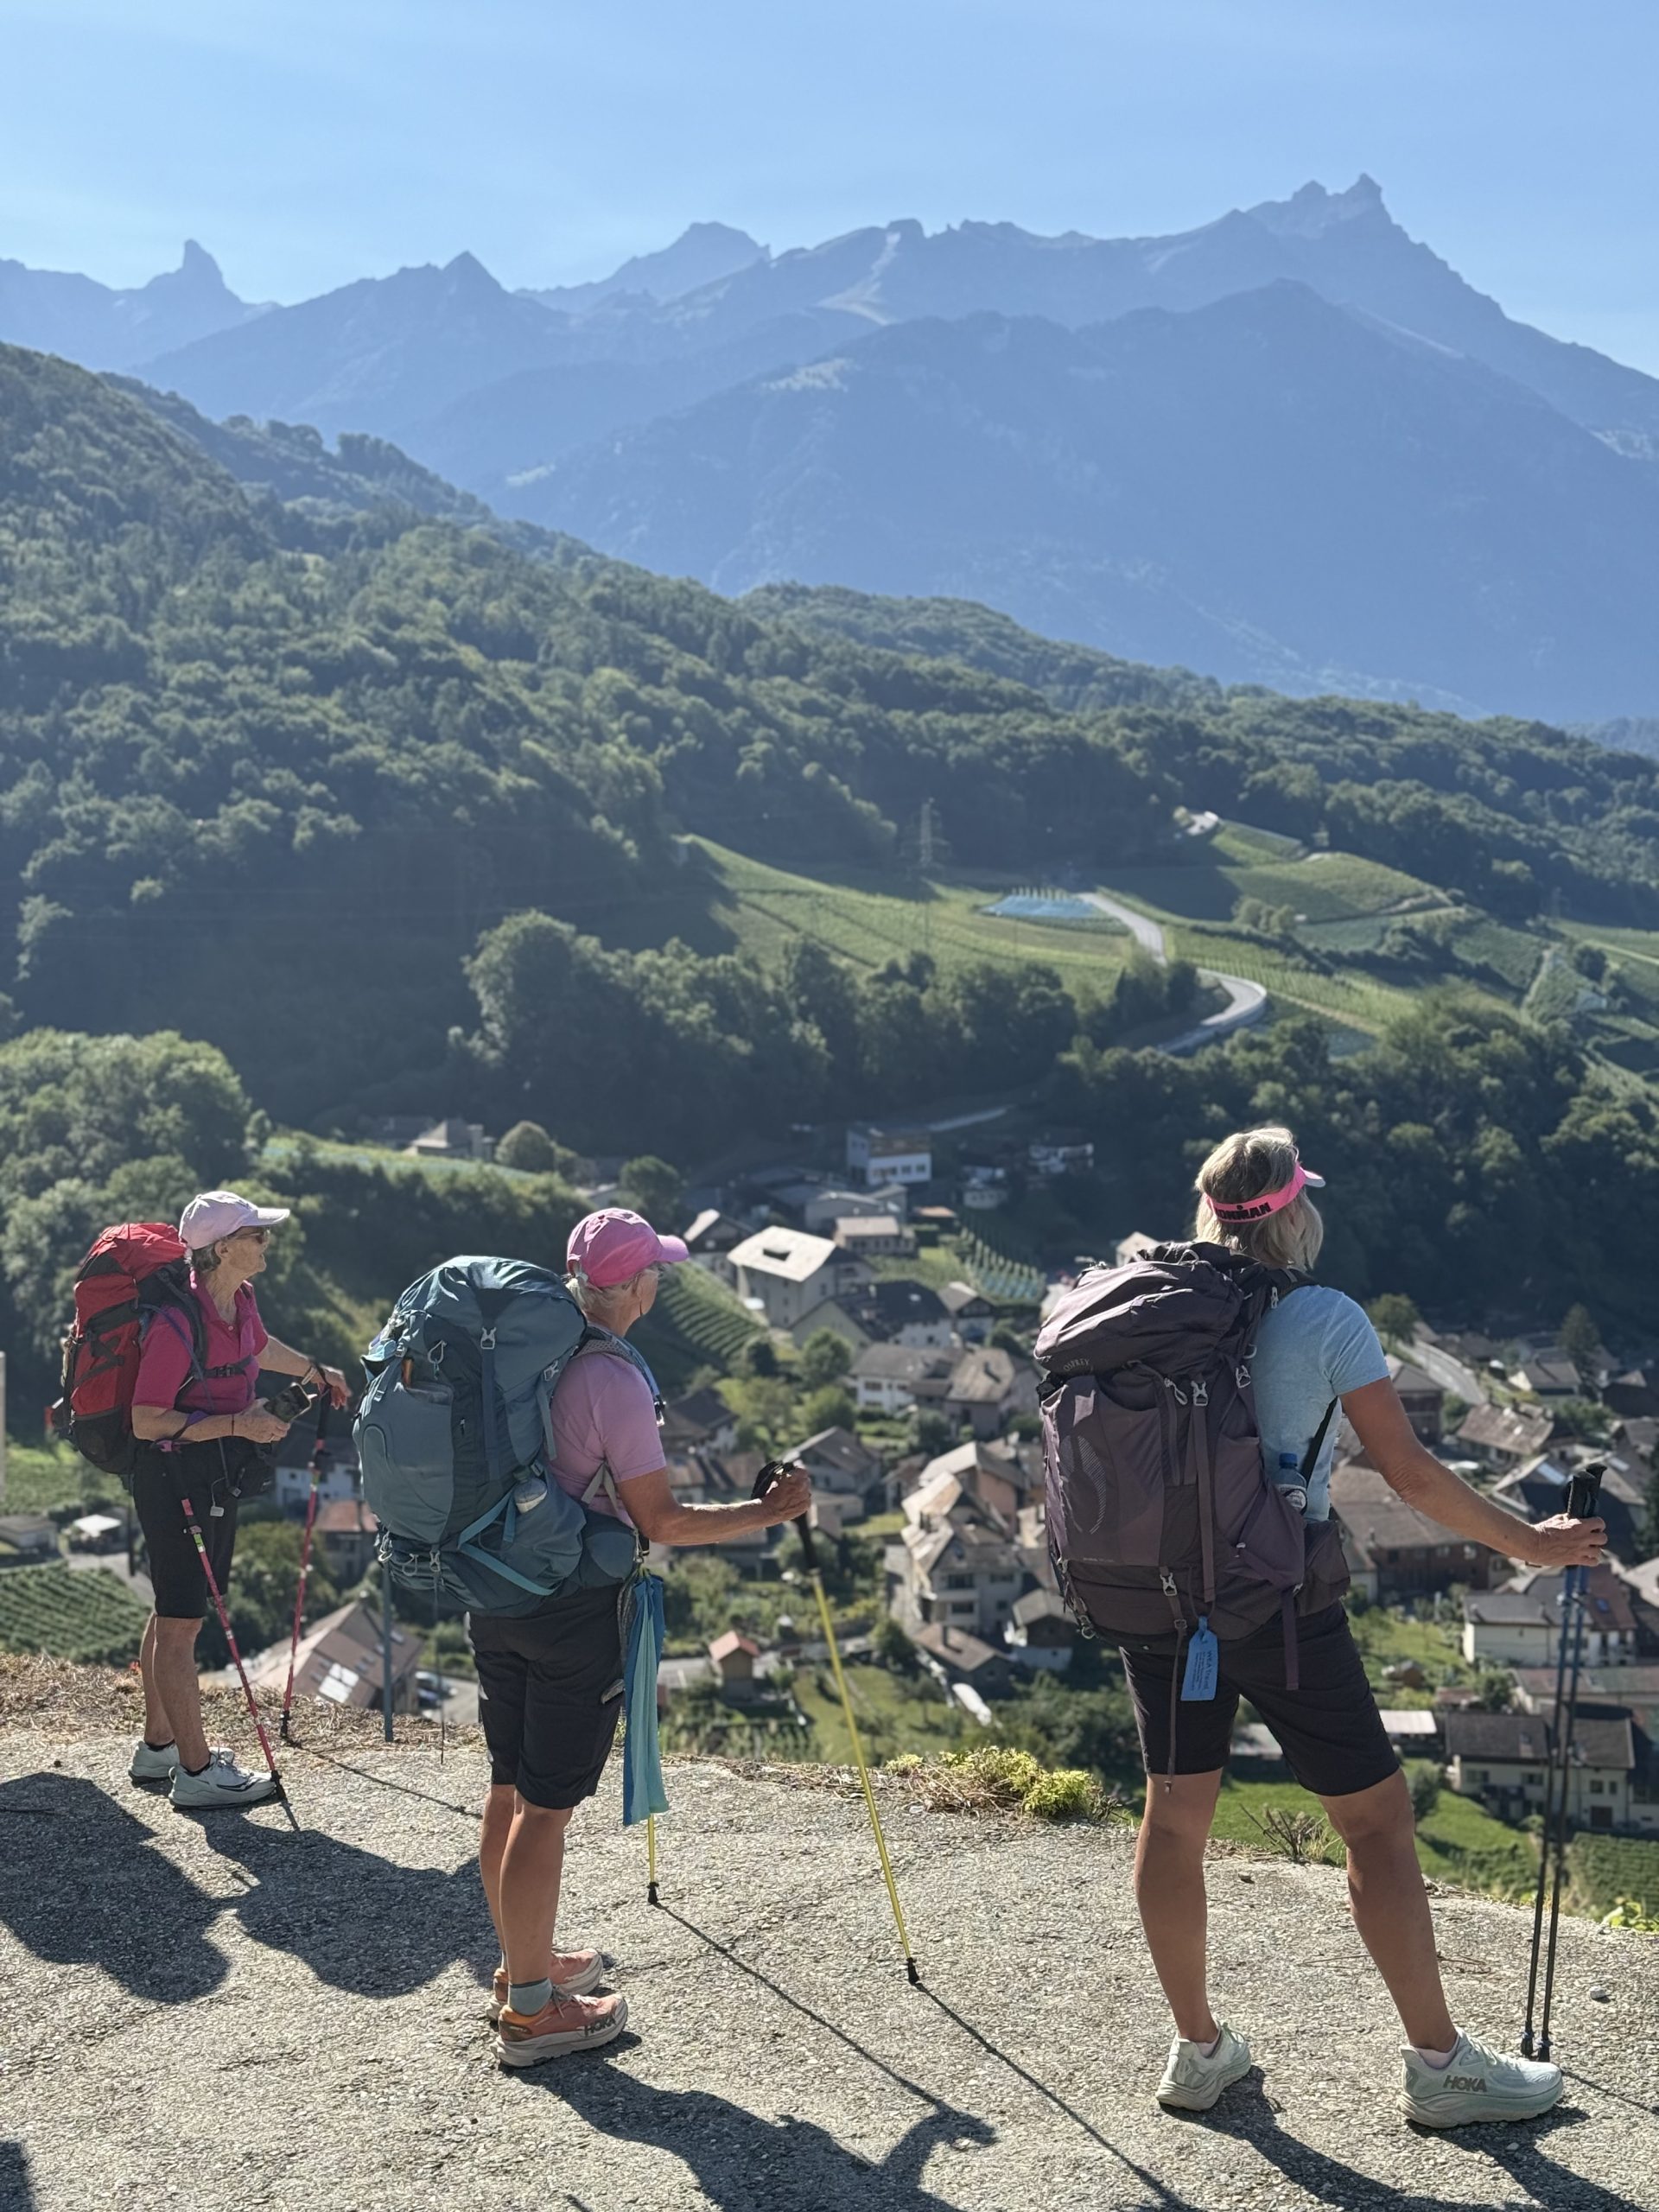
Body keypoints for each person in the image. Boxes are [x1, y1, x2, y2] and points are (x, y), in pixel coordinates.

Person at [1122, 1127, 1605, 2127]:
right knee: (1376, 1821)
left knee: (1174, 1819)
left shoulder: (1139, 1302)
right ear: (1296, 1211)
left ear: (1210, 1213)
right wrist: (1534, 1544)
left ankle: (1199, 2051)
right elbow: (1412, 1472)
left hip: (1156, 1597)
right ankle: (1441, 2068)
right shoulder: (1325, 1316)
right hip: (1276, 1603)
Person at [474, 1206, 812, 2068]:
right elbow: (658, 1518)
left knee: (509, 1786)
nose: (660, 1279)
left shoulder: (522, 1348)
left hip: (493, 1588)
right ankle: (532, 2014)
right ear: (631, 1286)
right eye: (654, 1268)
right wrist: (766, 1512)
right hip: (571, 1608)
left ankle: (523, 1965)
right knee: (547, 1807)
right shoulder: (610, 1378)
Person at [127, 1192, 350, 1808]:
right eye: (257, 1234)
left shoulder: (238, 1302)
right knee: (183, 1623)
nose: (266, 1243)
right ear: (222, 1248)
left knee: (176, 1606)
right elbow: (147, 1420)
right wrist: (237, 1426)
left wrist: (313, 1371)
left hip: (211, 1475)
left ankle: (158, 1748)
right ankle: (196, 1774)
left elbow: (257, 1348)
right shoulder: (177, 1323)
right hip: (175, 1477)